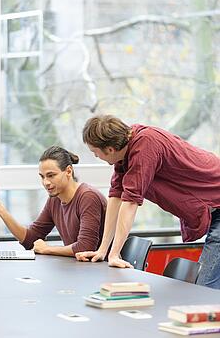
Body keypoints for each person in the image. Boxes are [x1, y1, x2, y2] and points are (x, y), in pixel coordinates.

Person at [75, 115, 220, 289]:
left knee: (203, 288)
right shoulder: (126, 151)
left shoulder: (145, 145)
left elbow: (130, 203)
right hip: (213, 206)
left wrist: (114, 254)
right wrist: (103, 250)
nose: (96, 156)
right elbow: (116, 196)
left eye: (95, 152)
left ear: (110, 149)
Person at [0, 146, 106, 257]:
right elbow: (31, 239)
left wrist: (47, 249)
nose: (46, 182)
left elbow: (86, 247)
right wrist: (2, 211)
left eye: (51, 175)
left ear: (69, 171)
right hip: (80, 270)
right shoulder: (55, 200)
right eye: (42, 177)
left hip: (99, 271)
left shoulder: (88, 197)